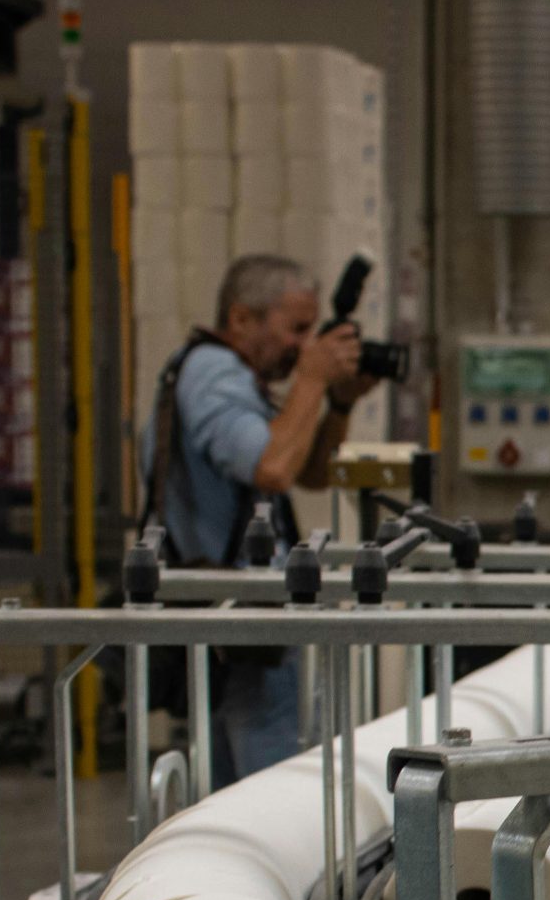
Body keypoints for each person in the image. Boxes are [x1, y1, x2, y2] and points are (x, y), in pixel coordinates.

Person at [139, 253, 381, 783]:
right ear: (242, 318)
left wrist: (336, 405)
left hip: (247, 627)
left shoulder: (231, 378)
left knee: (243, 786)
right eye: (295, 329)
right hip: (245, 625)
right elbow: (272, 466)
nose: (302, 346)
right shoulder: (212, 372)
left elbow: (308, 471)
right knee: (275, 791)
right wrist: (313, 379)